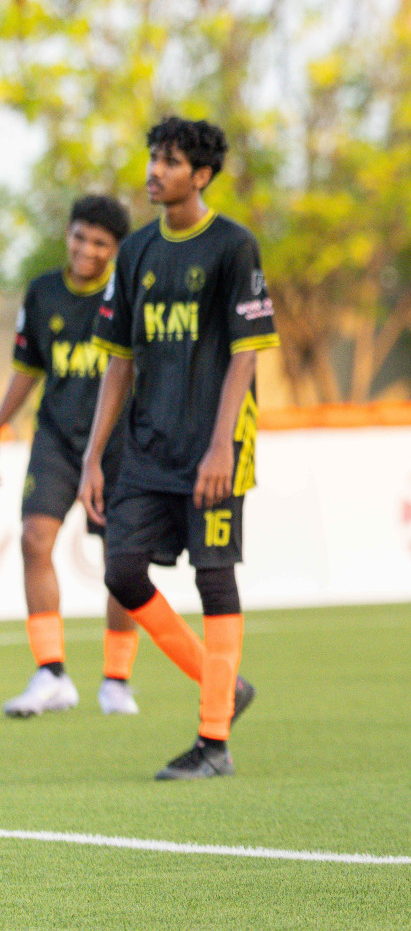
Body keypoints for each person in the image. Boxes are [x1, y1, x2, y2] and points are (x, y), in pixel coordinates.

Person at [80, 116, 279, 780]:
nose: (154, 171)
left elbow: (247, 356)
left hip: (214, 446)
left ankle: (213, 740)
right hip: (146, 448)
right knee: (122, 570)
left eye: (169, 162)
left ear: (201, 175)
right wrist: (92, 456)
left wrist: (221, 447)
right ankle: (223, 683)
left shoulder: (233, 247)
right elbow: (117, 361)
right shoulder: (134, 252)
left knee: (213, 576)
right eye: (152, 158)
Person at [2, 195, 141, 717]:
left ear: (116, 250)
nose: (86, 249)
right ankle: (51, 674)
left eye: (100, 243)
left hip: (118, 445)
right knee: (36, 541)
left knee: (121, 564)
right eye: (80, 237)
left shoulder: (124, 295)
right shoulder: (40, 293)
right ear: (68, 233)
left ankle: (117, 679)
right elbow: (28, 368)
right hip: (56, 440)